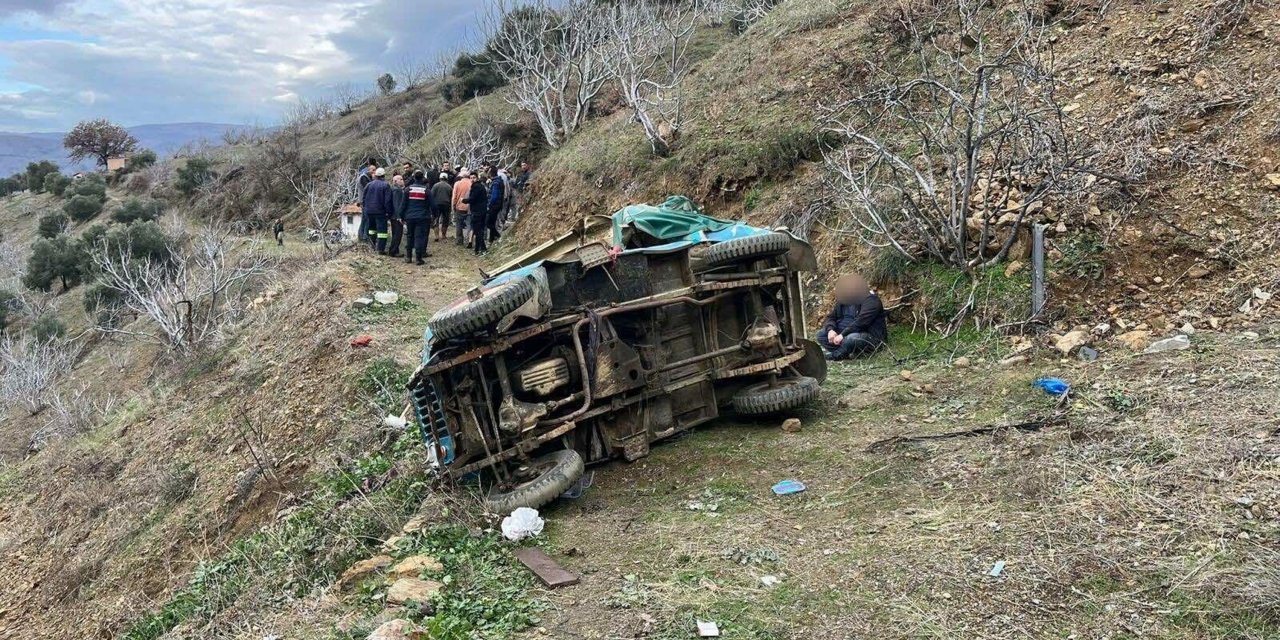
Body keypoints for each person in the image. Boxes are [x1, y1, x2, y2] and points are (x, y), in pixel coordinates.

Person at [816, 273, 888, 360]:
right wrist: (830, 330)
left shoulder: (871, 300)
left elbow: (861, 322)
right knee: (821, 335)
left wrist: (842, 335)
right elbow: (831, 317)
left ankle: (836, 355)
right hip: (846, 335)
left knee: (851, 338)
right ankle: (847, 352)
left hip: (869, 337)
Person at [362, 167, 394, 253]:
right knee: (382, 231)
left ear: (375, 176)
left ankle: (372, 246)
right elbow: (388, 201)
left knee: (372, 230)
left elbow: (363, 199)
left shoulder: (368, 185)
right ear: (383, 176)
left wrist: (365, 209)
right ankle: (380, 249)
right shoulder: (386, 185)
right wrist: (389, 212)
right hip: (380, 212)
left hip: (369, 212)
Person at [404, 171, 432, 265]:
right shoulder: (426, 190)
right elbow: (433, 204)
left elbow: (403, 204)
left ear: (414, 178)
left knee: (410, 235)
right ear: (422, 178)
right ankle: (418, 258)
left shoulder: (408, 189)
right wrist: (434, 215)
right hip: (422, 217)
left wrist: (401, 215)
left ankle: (408, 257)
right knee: (419, 237)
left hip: (410, 216)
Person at [463, 170, 490, 256]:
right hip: (482, 211)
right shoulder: (480, 186)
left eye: (474, 178)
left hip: (477, 212)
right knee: (479, 230)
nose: (472, 179)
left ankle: (482, 248)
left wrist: (464, 200)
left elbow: (472, 199)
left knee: (478, 231)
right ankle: (478, 249)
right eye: (471, 178)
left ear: (477, 178)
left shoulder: (476, 187)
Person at [451, 168, 473, 247]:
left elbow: (454, 197)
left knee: (459, 225)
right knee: (470, 225)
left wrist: (453, 206)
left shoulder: (457, 184)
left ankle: (459, 241)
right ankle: (469, 240)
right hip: (470, 207)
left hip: (459, 207)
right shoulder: (472, 183)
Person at [357, 159, 377, 242]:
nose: (374, 172)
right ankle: (364, 237)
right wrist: (374, 179)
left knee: (365, 219)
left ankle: (363, 237)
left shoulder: (365, 177)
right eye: (373, 170)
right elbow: (369, 189)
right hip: (364, 202)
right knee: (366, 219)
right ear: (369, 170)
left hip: (366, 202)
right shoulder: (363, 178)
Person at [387, 174, 407, 257]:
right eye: (401, 179)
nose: (402, 181)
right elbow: (397, 204)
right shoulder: (397, 190)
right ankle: (393, 251)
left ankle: (395, 250)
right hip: (396, 217)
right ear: (395, 181)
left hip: (394, 216)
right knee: (397, 234)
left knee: (396, 233)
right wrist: (399, 216)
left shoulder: (394, 189)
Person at [431, 172, 453, 241]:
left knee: (435, 220)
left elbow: (431, 195)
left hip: (436, 204)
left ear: (440, 178)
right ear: (446, 178)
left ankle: (436, 236)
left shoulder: (435, 185)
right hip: (446, 205)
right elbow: (451, 197)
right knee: (445, 220)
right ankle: (443, 235)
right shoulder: (449, 186)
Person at [486, 167, 505, 243]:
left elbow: (494, 196)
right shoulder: (499, 180)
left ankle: (498, 236)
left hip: (494, 205)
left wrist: (489, 205)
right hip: (498, 205)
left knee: (488, 223)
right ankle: (491, 239)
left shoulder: (496, 182)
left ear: (491, 173)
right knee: (492, 223)